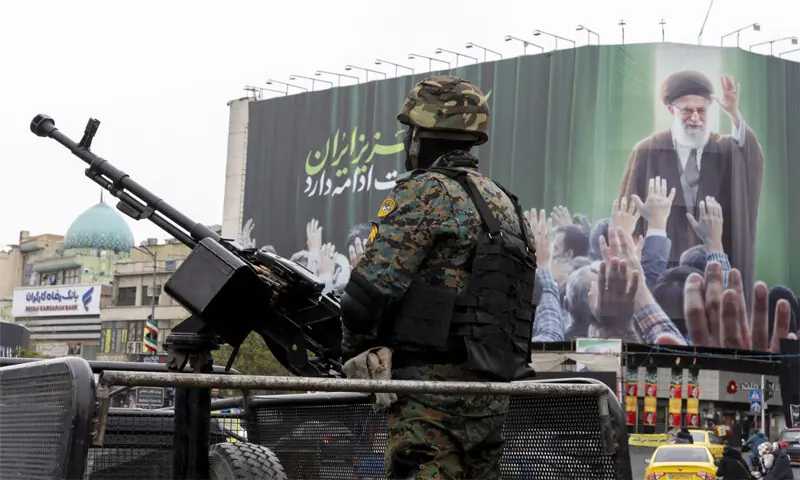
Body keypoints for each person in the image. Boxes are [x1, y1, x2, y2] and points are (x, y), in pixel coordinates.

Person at [338, 74, 537, 479]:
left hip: (430, 404)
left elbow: (365, 299)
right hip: (491, 399)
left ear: (419, 135)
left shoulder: (426, 191)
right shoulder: (506, 203)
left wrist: (351, 352)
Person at [617, 70, 764, 306]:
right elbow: (624, 219)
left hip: (712, 276)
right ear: (671, 109)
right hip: (660, 277)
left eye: (701, 110)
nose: (695, 117)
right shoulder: (646, 151)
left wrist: (734, 114)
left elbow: (751, 157)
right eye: (687, 111)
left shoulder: (725, 149)